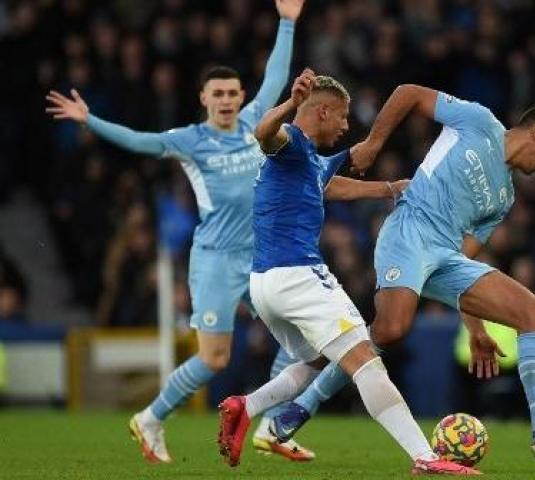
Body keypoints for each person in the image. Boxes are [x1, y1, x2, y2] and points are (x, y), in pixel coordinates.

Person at [44, 0, 374, 464]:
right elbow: (140, 141)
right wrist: (89, 120)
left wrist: (286, 21)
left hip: (265, 258)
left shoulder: (257, 124)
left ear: (241, 97)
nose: (225, 100)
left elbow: (277, 76)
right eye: (216, 93)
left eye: (232, 93)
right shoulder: (189, 141)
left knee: (302, 341)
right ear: (204, 99)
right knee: (214, 359)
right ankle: (151, 418)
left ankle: (270, 429)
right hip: (217, 258)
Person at [216, 70, 481, 475]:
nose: (345, 126)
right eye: (342, 117)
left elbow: (328, 184)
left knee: (322, 361)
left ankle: (245, 407)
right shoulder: (289, 142)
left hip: (265, 283)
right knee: (365, 359)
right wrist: (290, 102)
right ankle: (425, 457)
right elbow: (263, 134)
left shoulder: (305, 161)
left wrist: (391, 188)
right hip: (298, 274)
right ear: (322, 110)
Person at [346, 84, 535, 461]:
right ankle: (303, 401)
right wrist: (373, 143)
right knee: (390, 329)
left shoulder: (504, 198)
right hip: (410, 228)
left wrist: (475, 329)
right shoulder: (479, 121)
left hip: (443, 255)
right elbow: (408, 93)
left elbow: (463, 263)